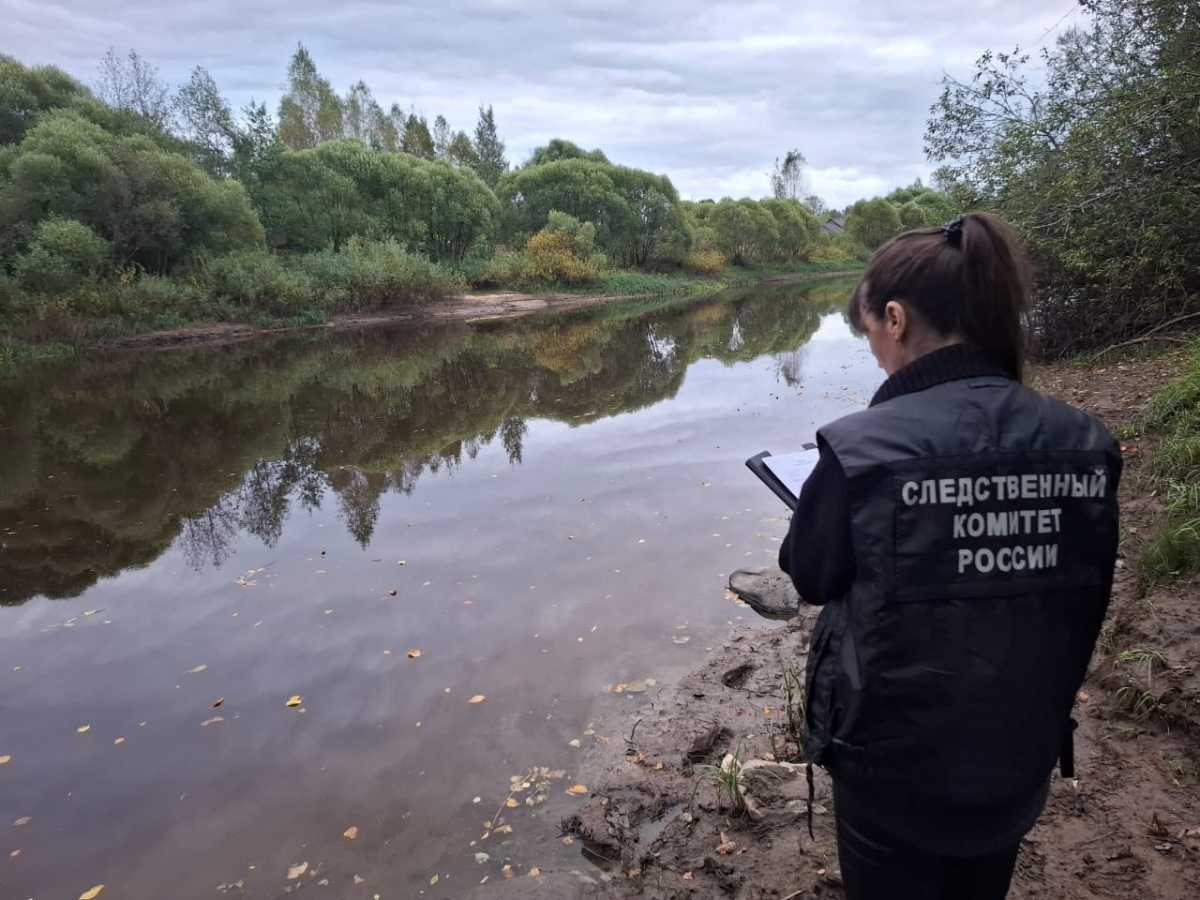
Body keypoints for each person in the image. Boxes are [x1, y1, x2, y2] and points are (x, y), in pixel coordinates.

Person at [778, 213, 1122, 900]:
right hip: (1019, 756)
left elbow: (812, 576)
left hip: (890, 775)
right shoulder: (1087, 442)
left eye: (869, 328)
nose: (873, 346)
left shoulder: (862, 449)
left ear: (896, 319)